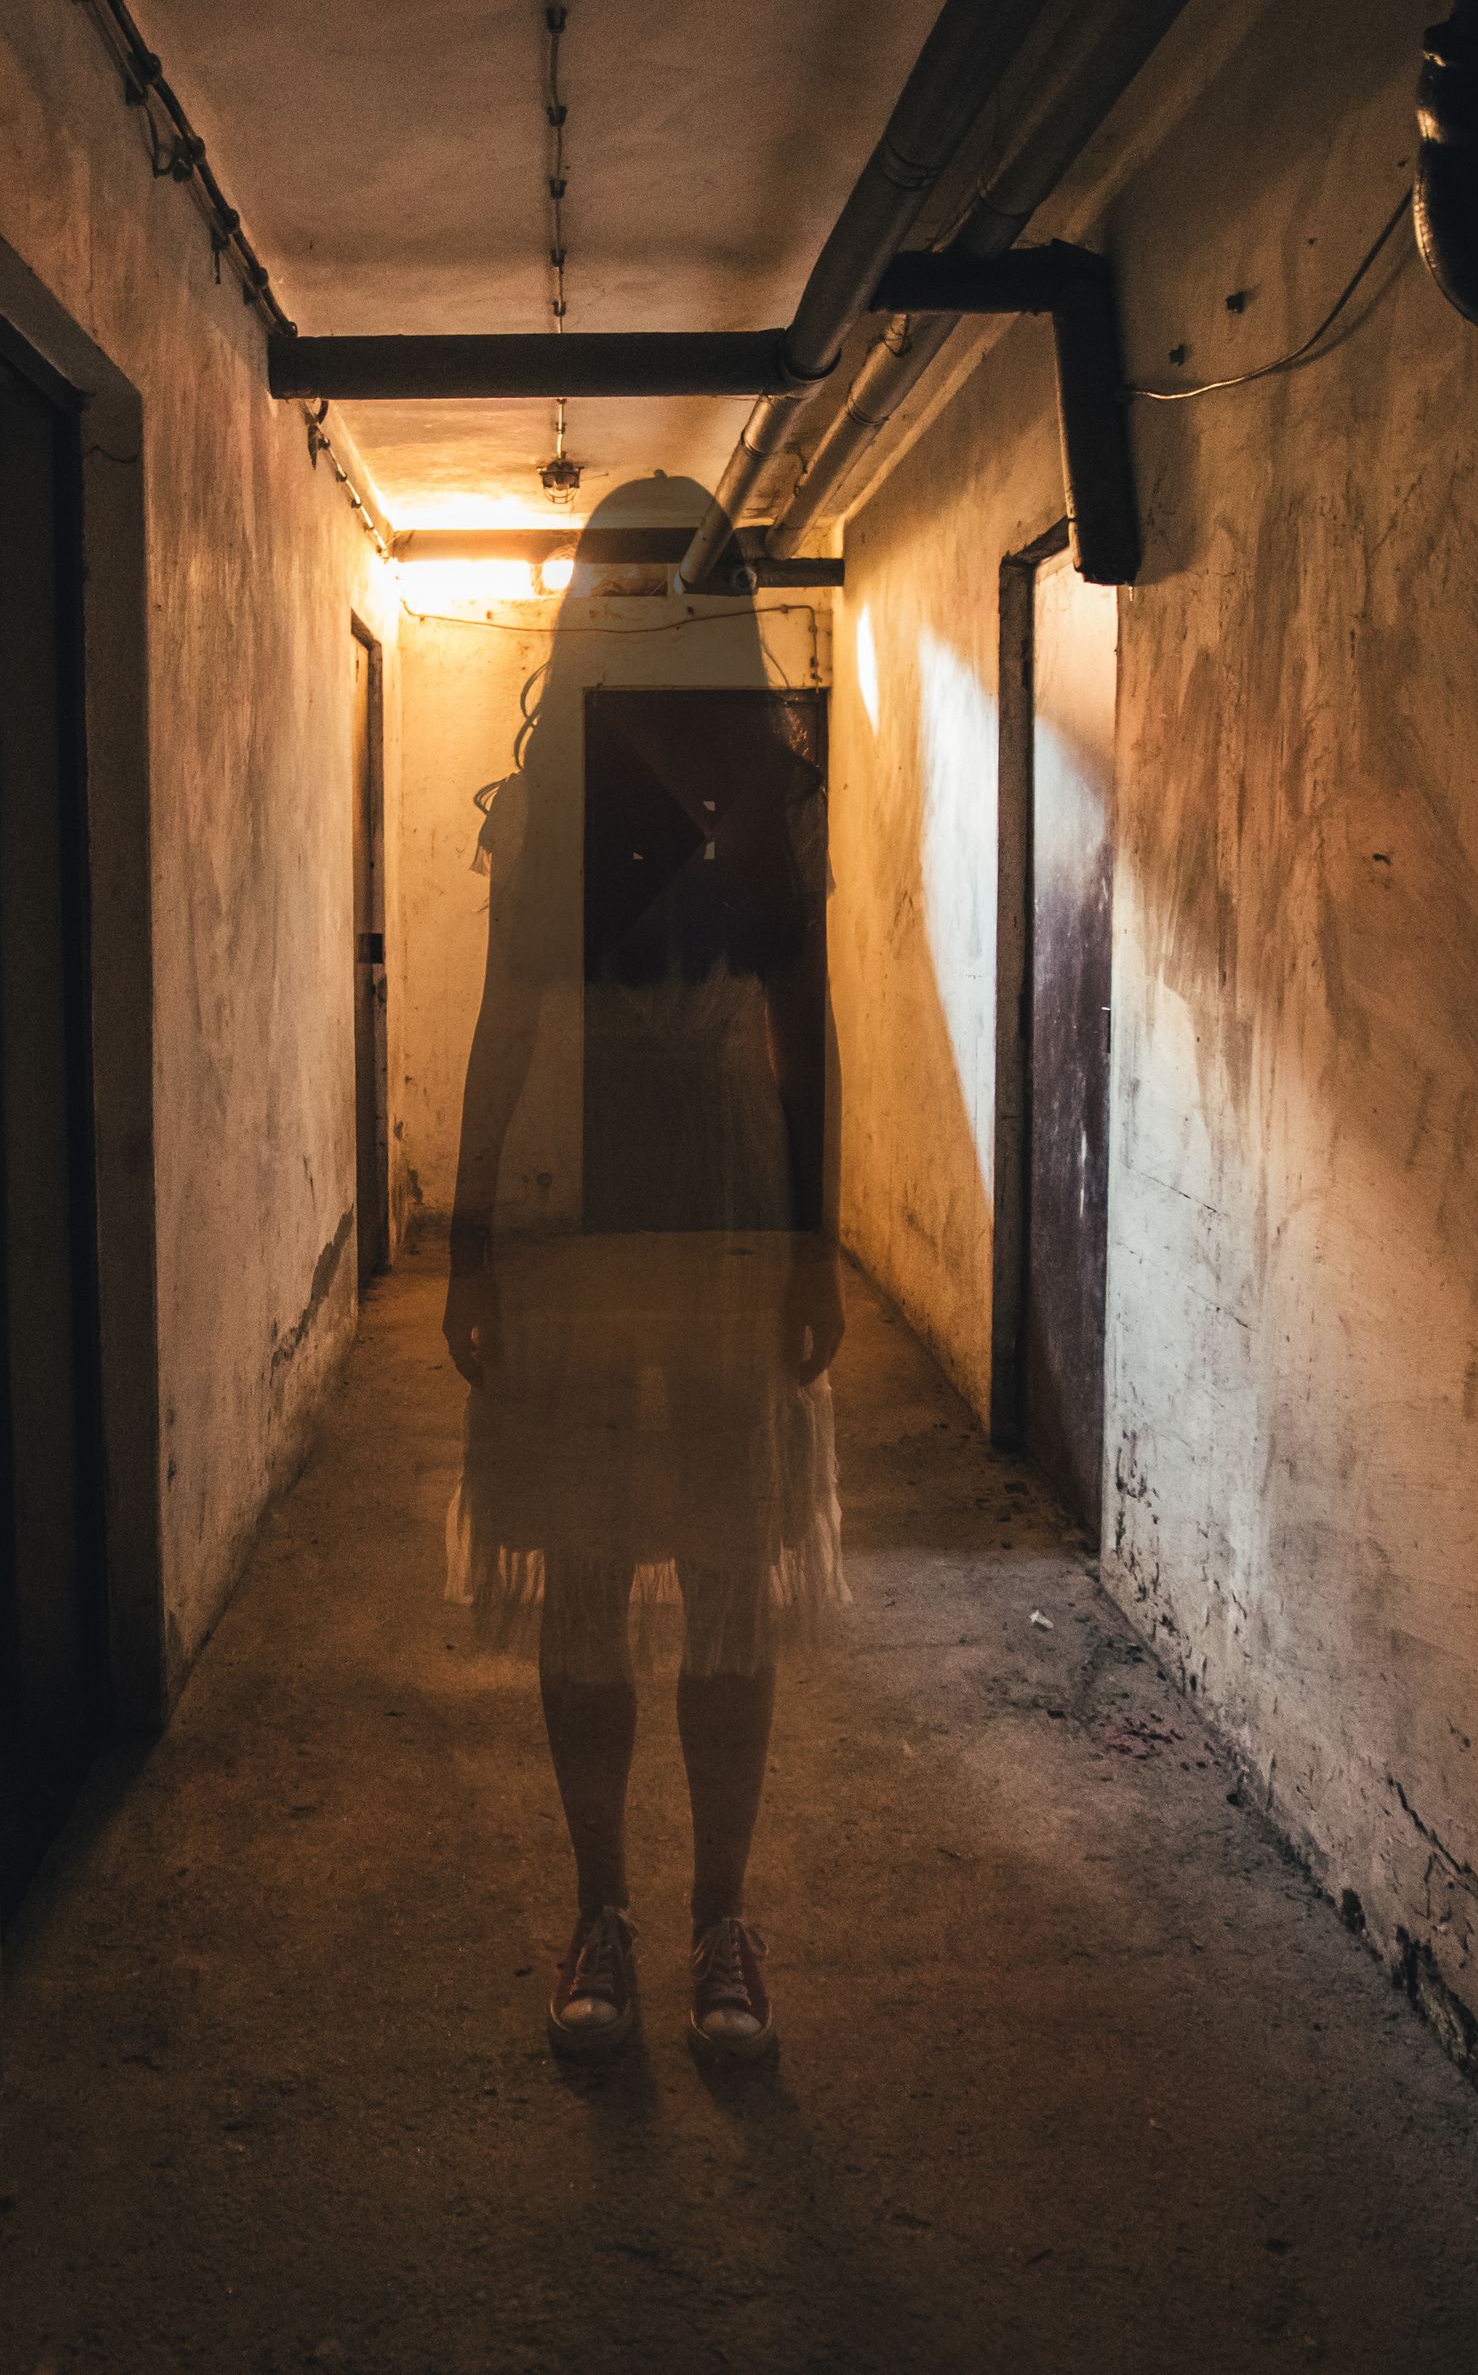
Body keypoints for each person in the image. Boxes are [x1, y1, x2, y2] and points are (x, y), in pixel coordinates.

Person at [439, 491, 843, 2067]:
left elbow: (803, 1020)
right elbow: (507, 1015)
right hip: (576, 1211)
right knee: (594, 1571)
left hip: (728, 1209)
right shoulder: (551, 800)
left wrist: (816, 1234)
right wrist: (469, 1236)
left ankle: (718, 1923)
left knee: (731, 1570)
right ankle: (603, 1907)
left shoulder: (767, 793)